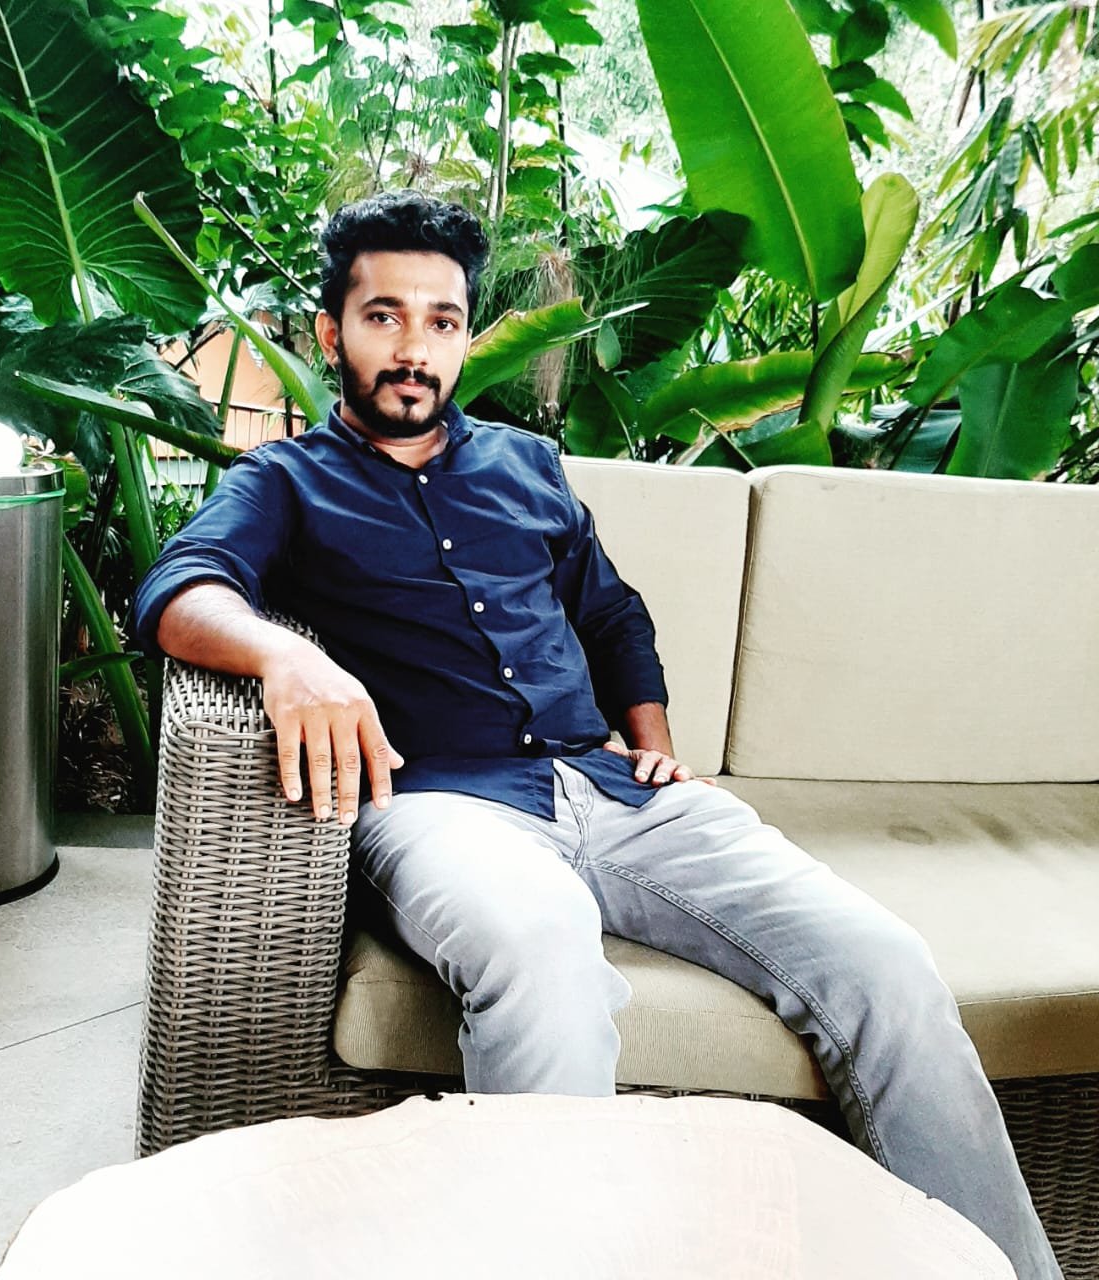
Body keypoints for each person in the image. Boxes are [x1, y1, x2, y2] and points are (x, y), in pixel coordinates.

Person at [132, 191, 1060, 1280]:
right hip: (444, 804)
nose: (414, 348)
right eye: (384, 317)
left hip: (615, 790)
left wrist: (650, 736)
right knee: (540, 947)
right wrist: (286, 658)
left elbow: (611, 613)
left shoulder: (526, 467)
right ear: (333, 333)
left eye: (441, 321)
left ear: (463, 337)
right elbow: (177, 587)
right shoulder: (286, 481)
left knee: (886, 965)